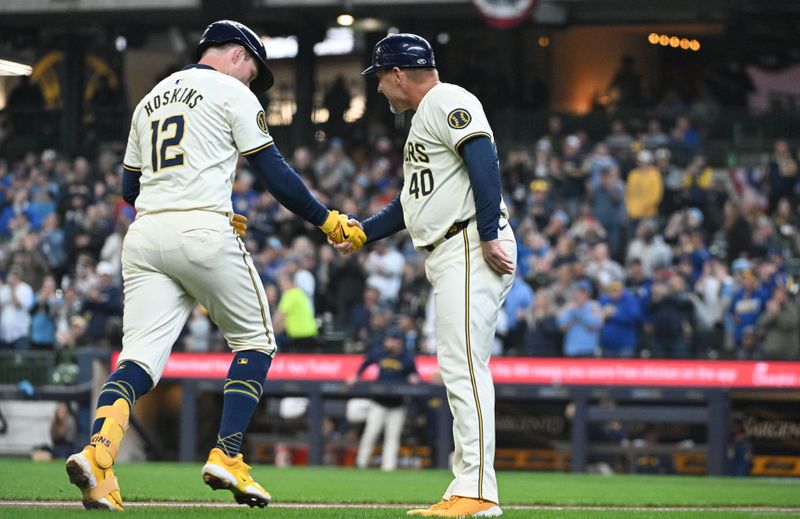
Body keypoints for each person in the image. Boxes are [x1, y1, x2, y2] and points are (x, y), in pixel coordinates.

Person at [65, 20, 365, 511]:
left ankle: (100, 454)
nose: (253, 80)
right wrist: (326, 219)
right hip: (202, 230)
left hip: (144, 236)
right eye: (255, 70)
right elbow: (274, 173)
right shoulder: (230, 90)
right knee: (256, 342)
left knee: (138, 359)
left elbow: (128, 190)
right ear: (236, 54)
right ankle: (226, 454)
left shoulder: (151, 98)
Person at [338, 33, 515, 517]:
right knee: (458, 367)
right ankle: (468, 486)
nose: (377, 89)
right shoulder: (424, 119)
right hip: (451, 248)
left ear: (397, 73)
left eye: (379, 78)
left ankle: (478, 491)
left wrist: (487, 232)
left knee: (464, 368)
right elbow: (409, 204)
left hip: (467, 244)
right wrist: (363, 233)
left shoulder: (446, 98)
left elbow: (483, 156)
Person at [348, 326, 420, 471]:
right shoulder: (380, 353)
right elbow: (366, 363)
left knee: (392, 438)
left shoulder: (406, 358)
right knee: (371, 433)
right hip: (378, 402)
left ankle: (388, 468)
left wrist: (414, 379)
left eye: (394, 340)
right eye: (389, 340)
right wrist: (356, 375)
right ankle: (361, 463)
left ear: (400, 342)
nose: (391, 343)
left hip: (397, 405)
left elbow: (414, 376)